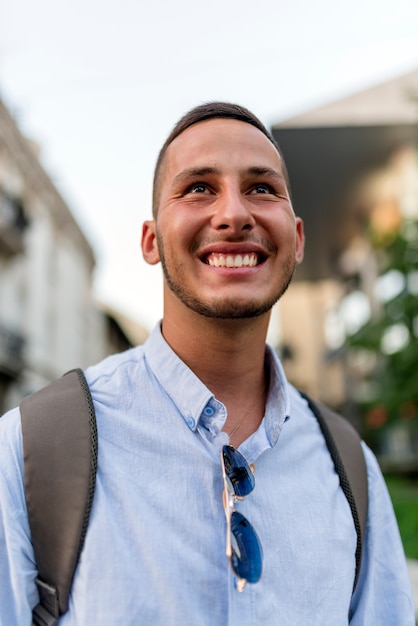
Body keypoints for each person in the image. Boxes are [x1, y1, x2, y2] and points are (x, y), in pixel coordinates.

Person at [0, 102, 414, 625]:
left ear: (299, 238)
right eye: (199, 187)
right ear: (151, 241)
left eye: (262, 188)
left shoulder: (351, 472)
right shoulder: (30, 451)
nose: (235, 214)